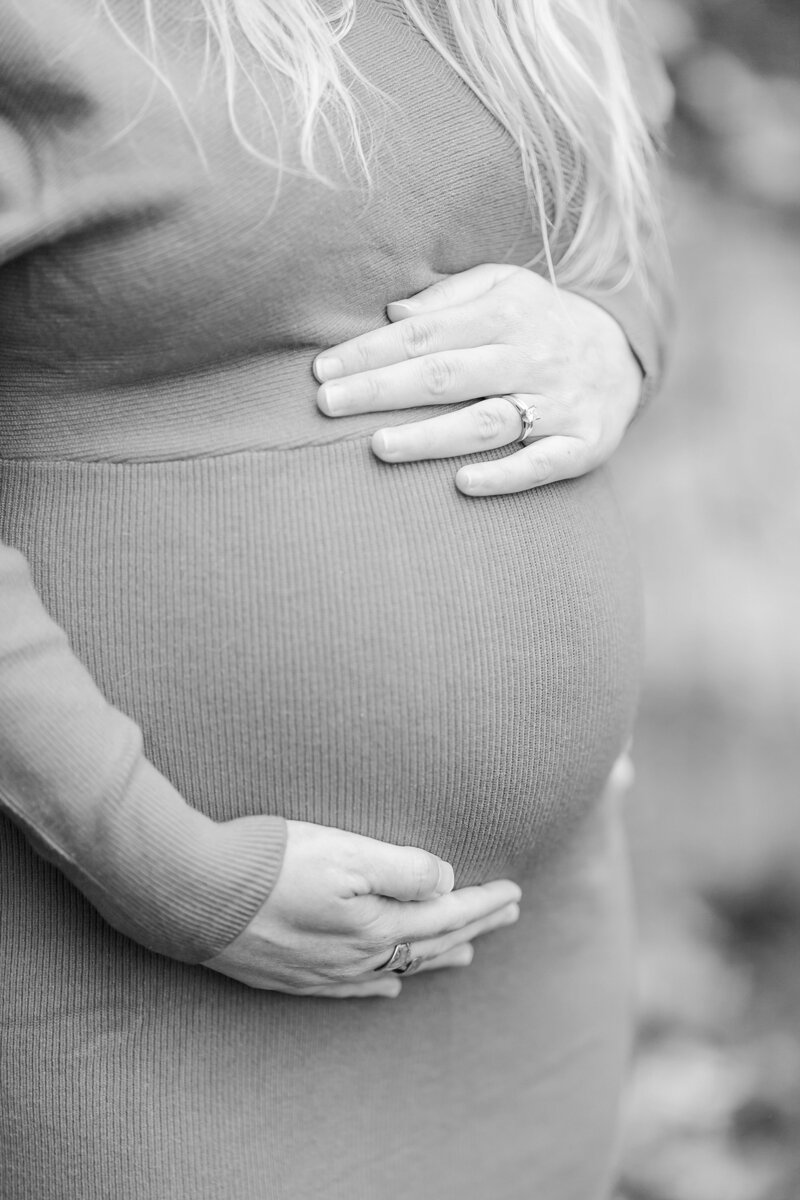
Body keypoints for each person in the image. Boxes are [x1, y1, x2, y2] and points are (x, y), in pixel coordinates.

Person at [0, 0, 673, 1196]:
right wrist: (158, 863)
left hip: (524, 945)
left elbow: (615, 201)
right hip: (106, 952)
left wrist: (616, 335)